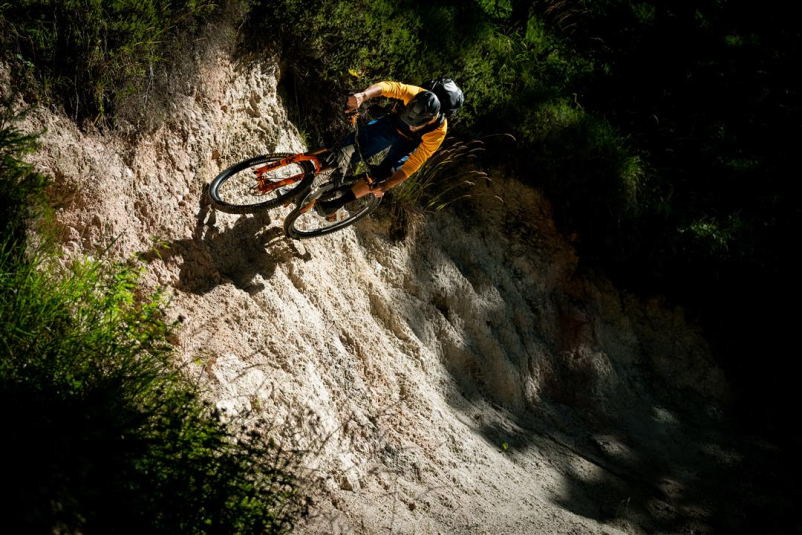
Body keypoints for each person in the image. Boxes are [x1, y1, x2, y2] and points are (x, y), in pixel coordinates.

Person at [316, 79, 463, 216]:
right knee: (350, 148)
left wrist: (386, 184)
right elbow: (389, 87)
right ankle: (315, 172)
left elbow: (413, 164)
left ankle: (336, 204)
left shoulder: (438, 132)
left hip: (409, 143)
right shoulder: (413, 93)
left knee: (382, 176)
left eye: (416, 125)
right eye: (410, 121)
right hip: (392, 124)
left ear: (430, 120)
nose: (411, 126)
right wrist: (363, 95)